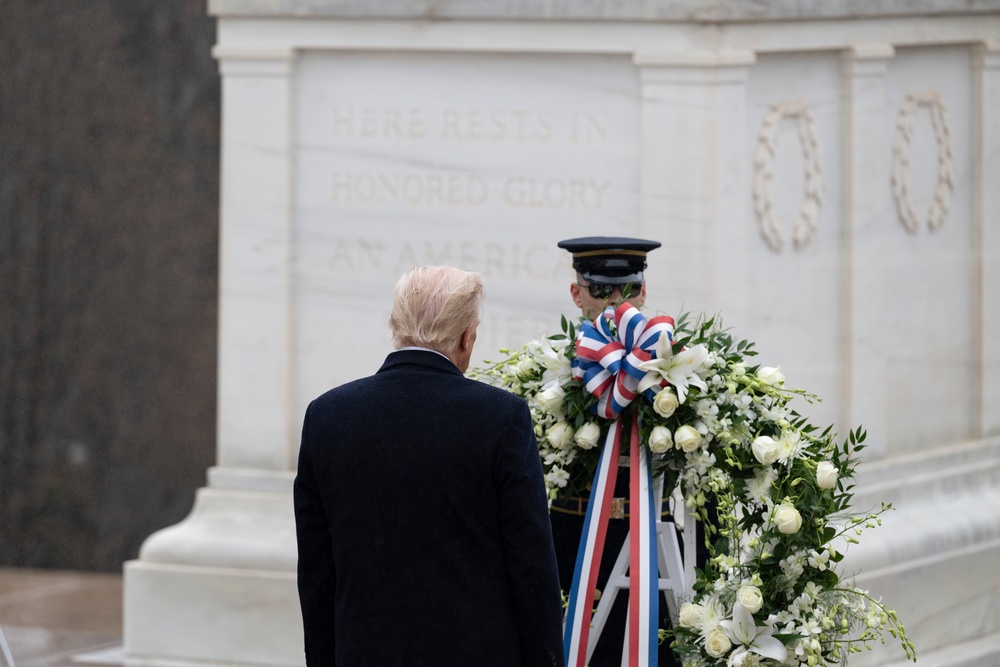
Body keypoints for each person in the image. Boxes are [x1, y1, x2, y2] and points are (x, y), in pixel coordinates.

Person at [294, 265, 565, 667]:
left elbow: (317, 574)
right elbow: (531, 567)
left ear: (395, 326)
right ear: (467, 337)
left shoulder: (327, 416)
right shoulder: (501, 418)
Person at [553, 237, 680, 667]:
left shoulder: (672, 367)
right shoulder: (554, 370)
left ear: (643, 291)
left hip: (651, 542)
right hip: (577, 542)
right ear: (576, 293)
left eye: (626, 290)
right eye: (601, 290)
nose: (614, 301)